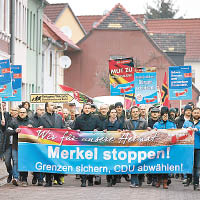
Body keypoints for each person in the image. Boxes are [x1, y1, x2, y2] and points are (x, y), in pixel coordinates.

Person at [73, 103, 101, 187]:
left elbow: (100, 127)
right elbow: (75, 128)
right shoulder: (79, 118)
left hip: (92, 143)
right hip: (82, 143)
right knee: (83, 161)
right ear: (83, 109)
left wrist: (97, 129)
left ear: (91, 109)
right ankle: (83, 180)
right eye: (86, 108)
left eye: (89, 108)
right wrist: (77, 130)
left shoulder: (96, 118)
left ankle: (90, 179)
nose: (87, 109)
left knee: (92, 161)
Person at [5, 107, 35, 186]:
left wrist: (32, 128)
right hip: (16, 145)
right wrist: (15, 131)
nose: (22, 113)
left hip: (26, 146)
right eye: (20, 112)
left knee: (24, 162)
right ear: (18, 113)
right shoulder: (13, 121)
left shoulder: (30, 122)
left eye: (24, 112)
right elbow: (8, 131)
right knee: (16, 162)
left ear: (26, 113)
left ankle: (24, 179)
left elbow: (36, 133)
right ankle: (15, 178)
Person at [39, 102, 65, 187]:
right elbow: (38, 128)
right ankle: (48, 180)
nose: (53, 106)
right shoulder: (42, 117)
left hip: (58, 142)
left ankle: (57, 178)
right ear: (47, 107)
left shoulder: (58, 116)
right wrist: (39, 128)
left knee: (57, 160)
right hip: (47, 142)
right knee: (47, 161)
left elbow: (62, 127)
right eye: (51, 105)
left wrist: (67, 129)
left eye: (53, 105)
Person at [124, 106, 148, 188]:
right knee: (133, 163)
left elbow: (146, 133)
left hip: (141, 146)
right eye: (133, 112)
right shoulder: (127, 122)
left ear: (139, 112)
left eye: (136, 111)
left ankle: (140, 179)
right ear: (131, 113)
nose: (135, 113)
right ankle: (134, 181)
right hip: (131, 146)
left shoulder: (144, 122)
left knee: (140, 163)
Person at [153, 106, 177, 189]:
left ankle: (165, 182)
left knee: (167, 165)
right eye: (163, 115)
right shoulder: (157, 124)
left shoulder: (172, 123)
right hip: (159, 148)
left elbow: (176, 134)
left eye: (166, 115)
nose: (165, 117)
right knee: (159, 165)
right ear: (161, 115)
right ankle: (158, 181)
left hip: (169, 148)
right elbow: (153, 135)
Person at [103, 108, 123, 187]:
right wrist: (103, 131)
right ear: (109, 114)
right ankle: (109, 179)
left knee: (116, 161)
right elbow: (102, 130)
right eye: (112, 112)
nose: (114, 114)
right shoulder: (105, 122)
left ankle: (115, 177)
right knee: (108, 162)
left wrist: (120, 131)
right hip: (107, 145)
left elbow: (123, 130)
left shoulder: (120, 122)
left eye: (115, 112)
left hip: (117, 145)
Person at [183, 107, 200, 190]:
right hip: (188, 147)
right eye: (195, 112)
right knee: (189, 164)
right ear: (192, 113)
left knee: (197, 166)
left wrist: (198, 130)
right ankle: (188, 178)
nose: (196, 114)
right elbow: (181, 132)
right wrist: (186, 130)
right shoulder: (187, 122)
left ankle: (196, 183)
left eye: (198, 113)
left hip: (198, 147)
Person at [32, 105, 45, 186]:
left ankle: (40, 179)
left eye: (42, 109)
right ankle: (36, 176)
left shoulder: (45, 118)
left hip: (44, 143)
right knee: (36, 161)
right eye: (40, 109)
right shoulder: (32, 119)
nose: (42, 111)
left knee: (43, 161)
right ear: (36, 110)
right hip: (35, 143)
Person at [147, 107, 160, 186]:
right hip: (149, 144)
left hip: (158, 144)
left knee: (156, 161)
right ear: (150, 113)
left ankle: (155, 178)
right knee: (149, 161)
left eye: (156, 112)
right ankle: (149, 176)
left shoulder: (160, 122)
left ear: (159, 114)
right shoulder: (147, 121)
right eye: (153, 112)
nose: (155, 114)